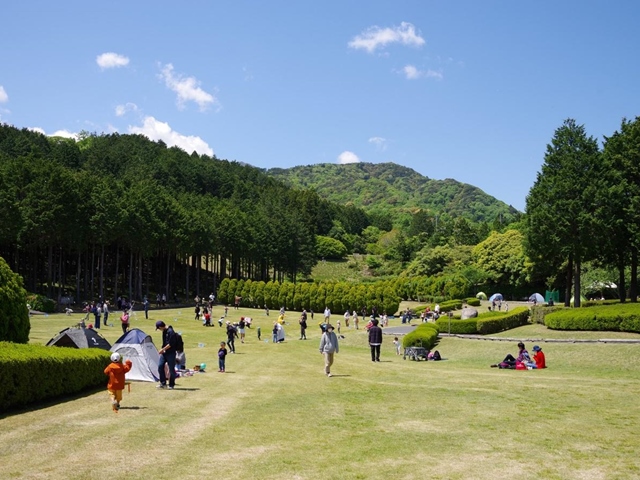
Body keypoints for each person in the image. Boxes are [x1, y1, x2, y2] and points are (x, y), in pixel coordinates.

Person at [156, 320, 178, 389]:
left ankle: (171, 384)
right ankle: (163, 383)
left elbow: (170, 344)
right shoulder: (164, 331)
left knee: (171, 369)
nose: (159, 330)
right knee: (160, 366)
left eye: (158, 328)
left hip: (171, 353)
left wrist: (163, 349)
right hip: (164, 353)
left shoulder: (171, 332)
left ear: (160, 327)